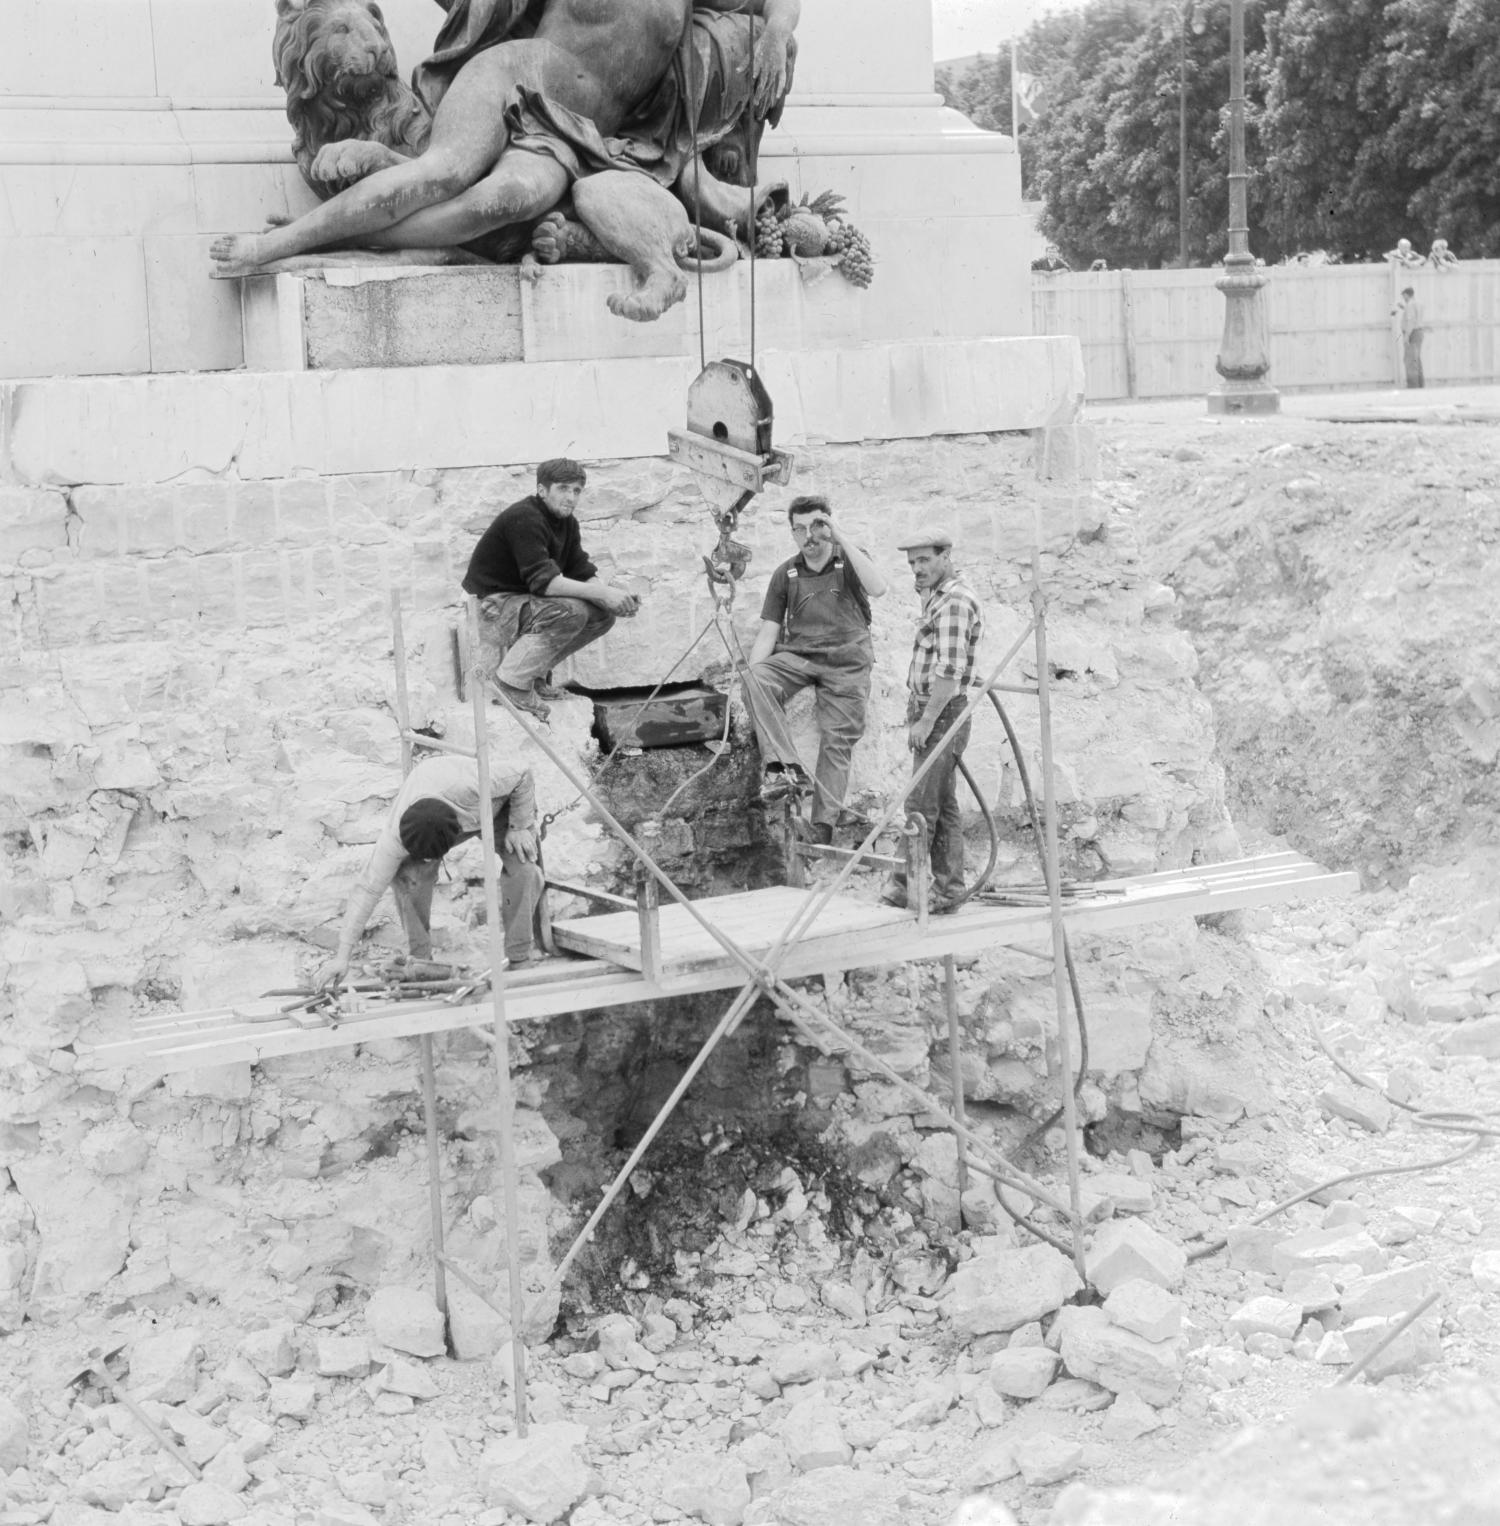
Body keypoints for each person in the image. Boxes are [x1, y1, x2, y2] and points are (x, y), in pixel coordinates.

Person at [316, 754, 544, 988]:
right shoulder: (395, 838)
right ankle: (422, 964)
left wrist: (520, 825)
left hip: (494, 807)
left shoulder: (474, 784)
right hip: (437, 815)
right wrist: (342, 957)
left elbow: (523, 771)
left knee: (525, 870)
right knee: (409, 877)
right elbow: (367, 889)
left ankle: (519, 957)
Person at [740, 495, 887, 845]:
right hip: (802, 657)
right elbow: (769, 632)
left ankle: (822, 827)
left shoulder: (847, 560)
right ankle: (785, 768)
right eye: (800, 529)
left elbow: (878, 588)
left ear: (829, 526)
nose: (810, 536)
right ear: (792, 533)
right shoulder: (786, 573)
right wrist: (750, 681)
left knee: (838, 740)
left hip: (848, 661)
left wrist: (840, 537)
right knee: (755, 678)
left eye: (817, 526)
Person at [462, 458, 640, 719]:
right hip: (494, 609)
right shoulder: (524, 517)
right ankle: (511, 683)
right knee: (574, 611)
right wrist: (604, 594)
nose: (571, 497)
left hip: (525, 605)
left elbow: (581, 571)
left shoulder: (568, 524)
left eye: (577, 490)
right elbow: (545, 583)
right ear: (542, 490)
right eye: (563, 489)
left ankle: (532, 678)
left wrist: (614, 601)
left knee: (602, 616)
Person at [883, 527, 984, 913]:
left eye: (925, 560)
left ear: (946, 556)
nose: (917, 569)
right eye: (912, 563)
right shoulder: (938, 597)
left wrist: (925, 722)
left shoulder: (955, 602)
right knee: (943, 803)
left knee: (921, 806)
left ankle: (899, 888)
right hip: (932, 708)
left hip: (940, 711)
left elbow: (949, 672)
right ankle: (949, 889)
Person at [1392, 286, 1424, 389]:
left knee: (1410, 360)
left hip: (1412, 333)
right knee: (1416, 359)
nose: (1403, 298)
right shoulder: (1418, 303)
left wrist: (1406, 336)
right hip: (1418, 332)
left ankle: (1413, 385)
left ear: (1406, 295)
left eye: (1404, 296)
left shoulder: (1410, 305)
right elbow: (1414, 315)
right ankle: (1420, 384)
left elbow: (1410, 321)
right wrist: (1404, 308)